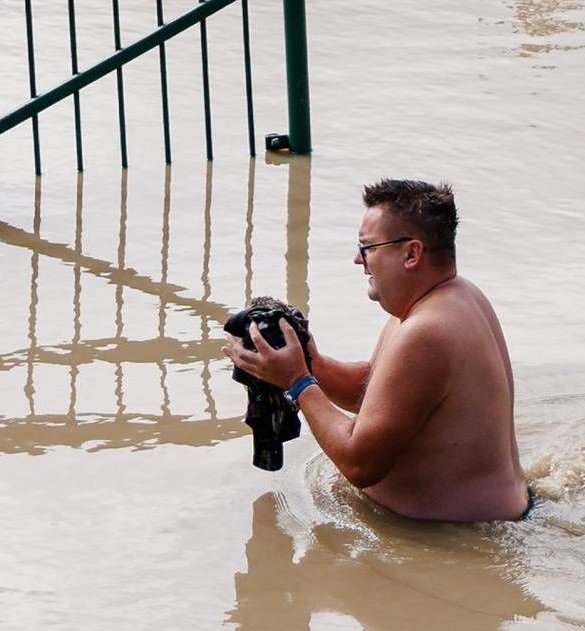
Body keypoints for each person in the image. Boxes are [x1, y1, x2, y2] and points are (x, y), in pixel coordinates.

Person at [226, 179, 529, 522]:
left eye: (367, 247)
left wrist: (297, 383)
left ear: (411, 254)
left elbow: (360, 463)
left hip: (462, 540)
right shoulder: (453, 299)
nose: (358, 259)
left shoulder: (426, 332)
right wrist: (312, 363)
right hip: (488, 520)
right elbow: (378, 395)